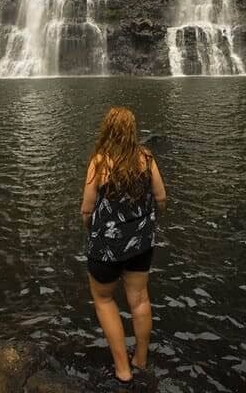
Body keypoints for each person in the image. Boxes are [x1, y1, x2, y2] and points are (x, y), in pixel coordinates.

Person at [80, 106, 168, 385]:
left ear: (107, 130)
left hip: (105, 246)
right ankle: (140, 360)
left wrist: (92, 228)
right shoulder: (146, 158)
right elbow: (161, 198)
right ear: (132, 131)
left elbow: (86, 209)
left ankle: (123, 370)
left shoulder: (99, 162)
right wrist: (147, 222)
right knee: (139, 299)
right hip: (140, 244)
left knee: (105, 300)